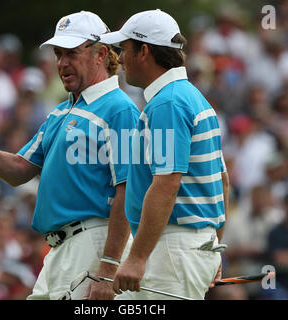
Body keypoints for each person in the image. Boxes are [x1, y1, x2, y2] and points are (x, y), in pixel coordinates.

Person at [0, 11, 140, 300]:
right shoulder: (60, 111)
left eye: (72, 53)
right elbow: (18, 170)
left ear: (101, 53)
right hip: (58, 252)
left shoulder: (120, 108)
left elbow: (127, 191)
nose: (62, 63)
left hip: (93, 247)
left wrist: (108, 270)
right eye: (58, 54)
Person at [100, 9, 230, 300]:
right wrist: (211, 247)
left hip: (171, 249)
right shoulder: (192, 97)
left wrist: (136, 258)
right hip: (183, 248)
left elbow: (167, 184)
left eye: (124, 49)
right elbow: (222, 180)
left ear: (144, 51)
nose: (119, 59)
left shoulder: (167, 103)